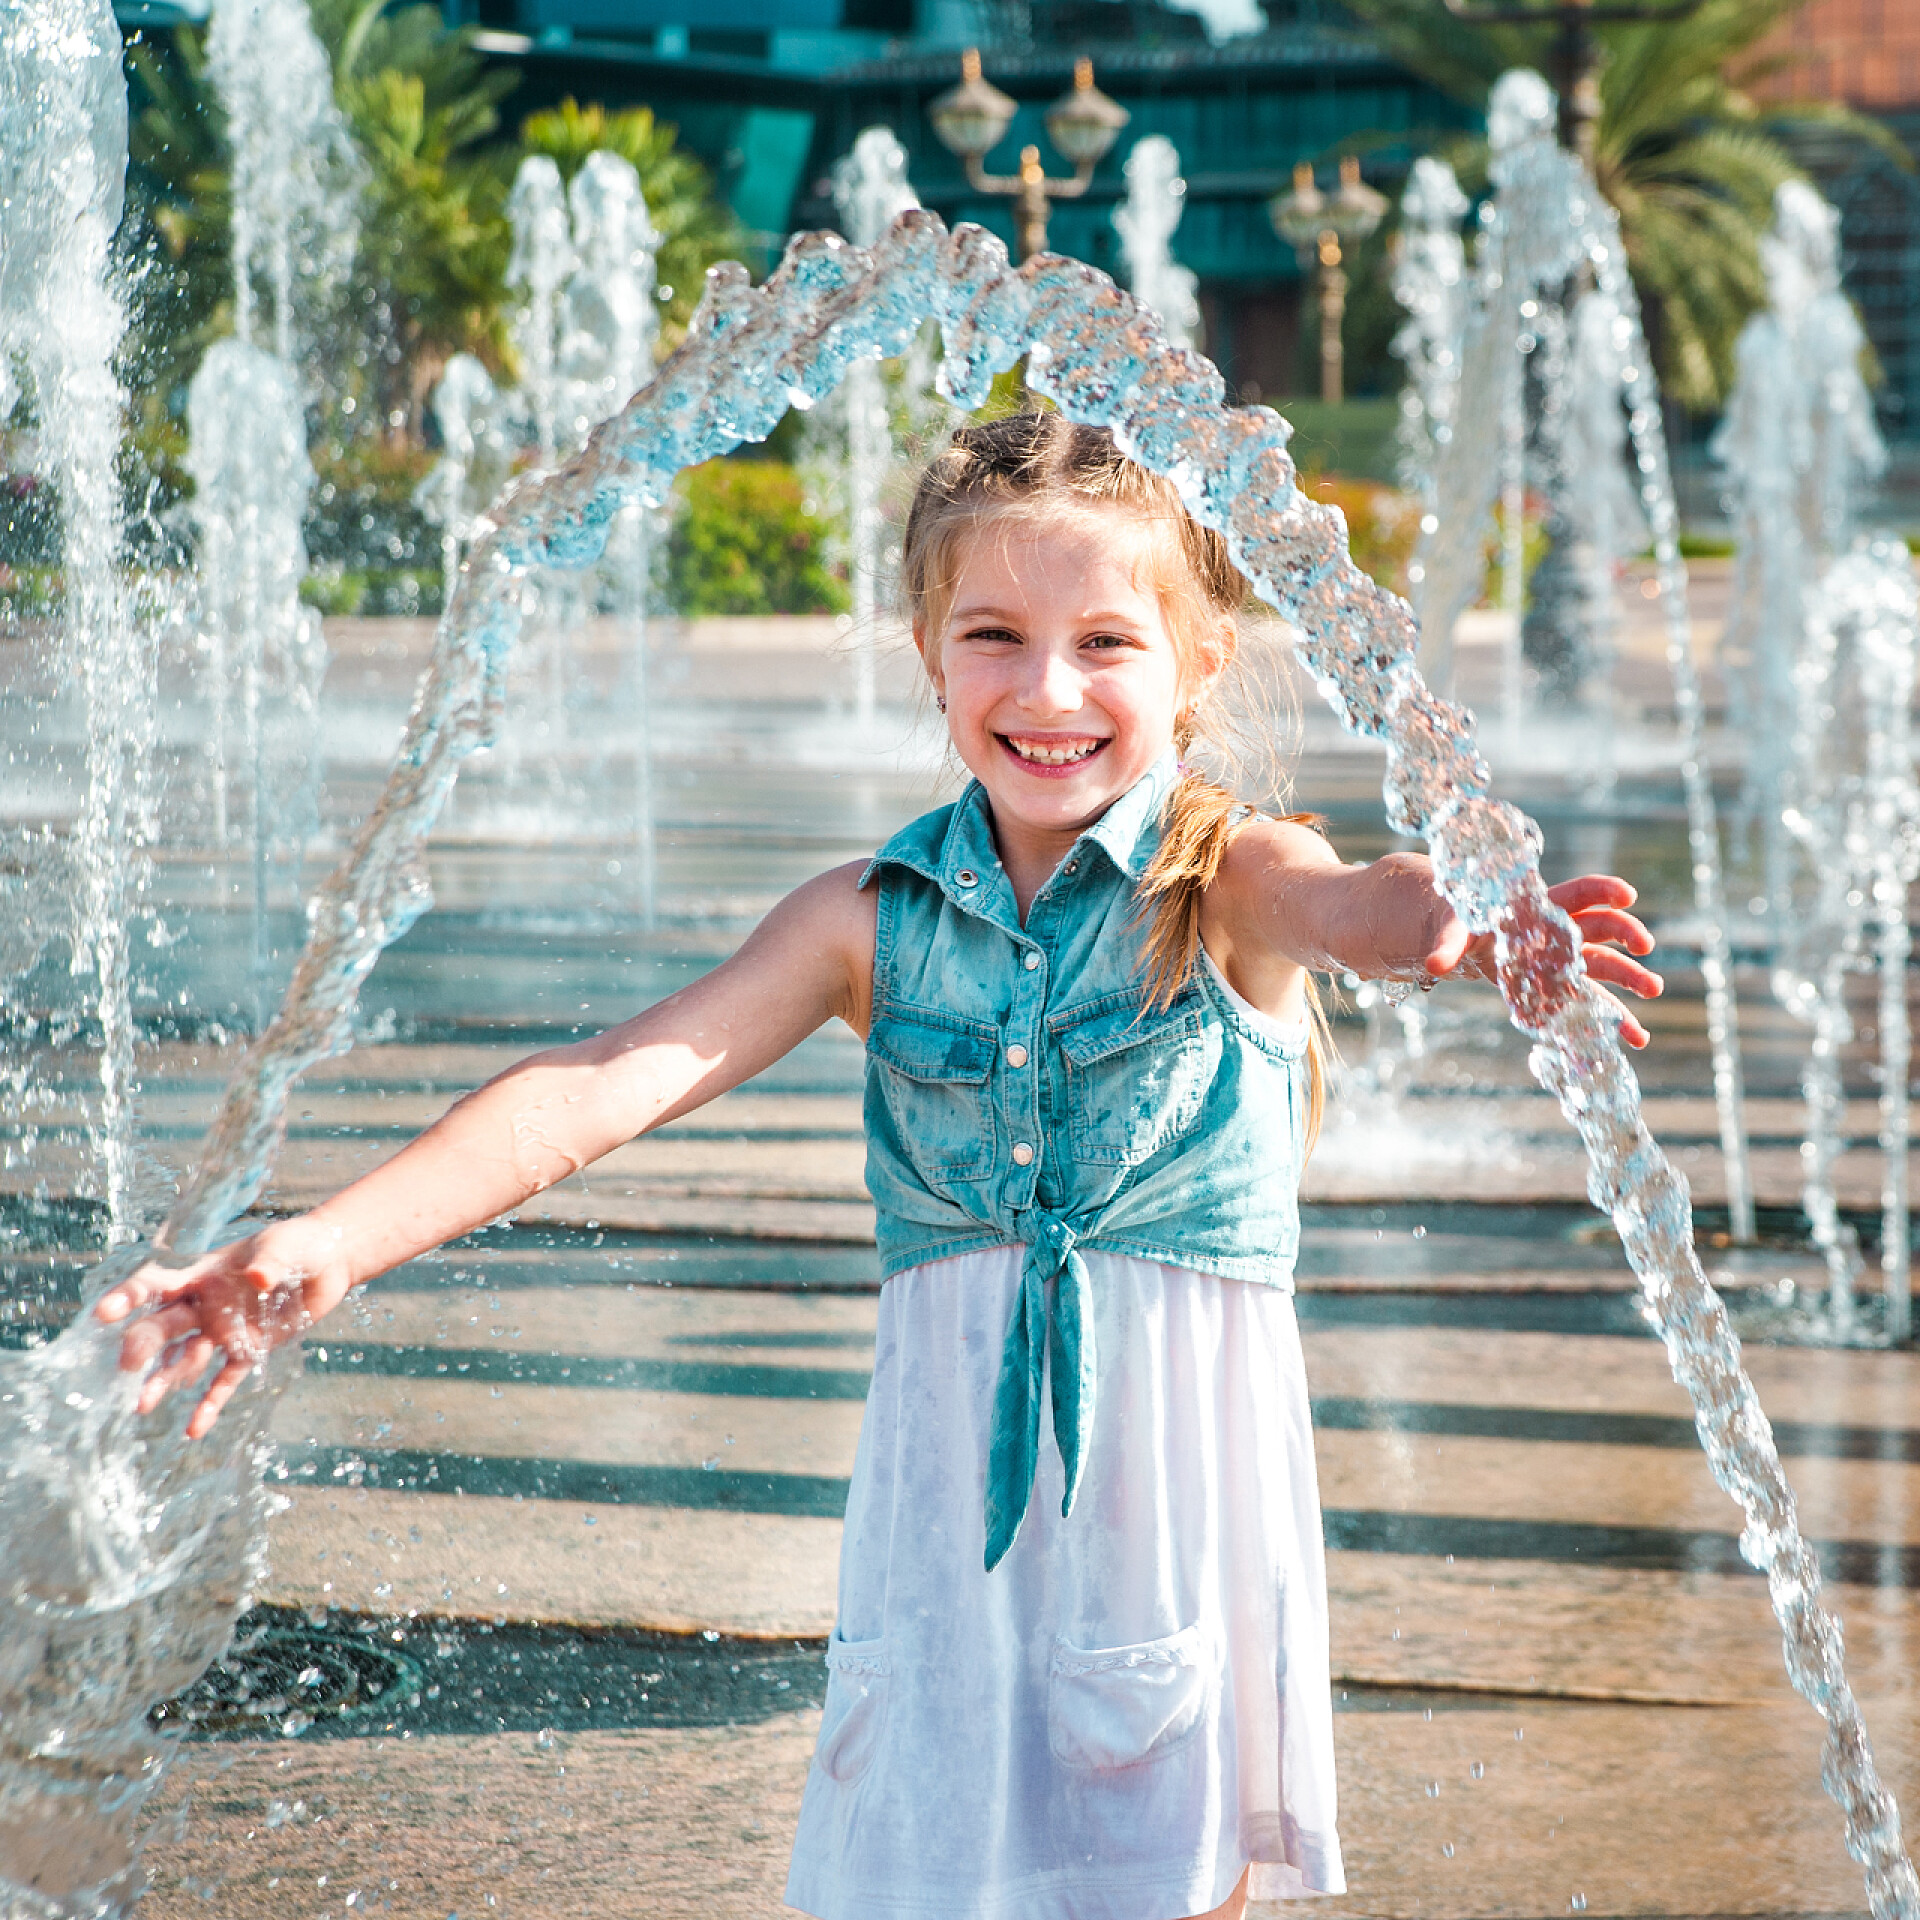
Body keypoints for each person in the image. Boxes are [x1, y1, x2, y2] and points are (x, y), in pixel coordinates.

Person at [97, 411, 1660, 1919]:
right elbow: (590, 1090)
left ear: (1196, 664)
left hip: (1170, 1491)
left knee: (1165, 1875)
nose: (1048, 686)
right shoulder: (869, 919)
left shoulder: (1222, 878)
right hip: (947, 1516)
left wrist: (1453, 925)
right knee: (921, 1873)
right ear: (928, 655)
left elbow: (1354, 903)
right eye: (992, 634)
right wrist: (330, 1246)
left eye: (1107, 640)